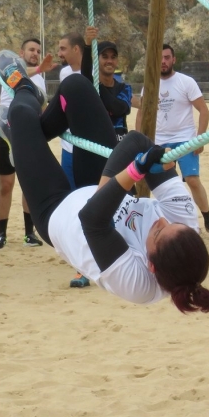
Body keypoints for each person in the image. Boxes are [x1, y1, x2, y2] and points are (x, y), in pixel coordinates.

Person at [0, 50, 209, 311]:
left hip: (59, 215)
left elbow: (92, 219)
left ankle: (22, 93)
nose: (162, 220)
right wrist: (151, 158)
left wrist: (135, 170)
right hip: (102, 189)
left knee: (20, 113)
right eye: (173, 224)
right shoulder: (184, 222)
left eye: (157, 231)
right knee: (76, 87)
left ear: (151, 264)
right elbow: (136, 141)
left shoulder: (139, 285)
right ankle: (23, 138)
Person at [65, 26, 134, 289]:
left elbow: (120, 107)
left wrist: (94, 87)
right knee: (87, 204)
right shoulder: (88, 83)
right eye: (103, 56)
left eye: (112, 57)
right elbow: (86, 84)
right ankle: (84, 268)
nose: (109, 60)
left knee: (123, 203)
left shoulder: (123, 88)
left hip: (118, 150)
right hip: (91, 150)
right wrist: (87, 53)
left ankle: (125, 256)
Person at [136, 44, 209, 239]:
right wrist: (138, 140)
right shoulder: (150, 85)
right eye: (160, 58)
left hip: (184, 140)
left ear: (173, 59)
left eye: (167, 57)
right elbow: (142, 112)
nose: (163, 62)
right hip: (159, 142)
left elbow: (203, 110)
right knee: (158, 184)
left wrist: (200, 139)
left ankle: (208, 221)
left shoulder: (186, 82)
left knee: (192, 180)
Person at [0, 38, 52, 250]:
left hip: (30, 133)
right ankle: (1, 234)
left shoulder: (41, 80)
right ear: (21, 53)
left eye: (38, 50)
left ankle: (29, 233)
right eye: (31, 50)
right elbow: (18, 78)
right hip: (6, 130)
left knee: (28, 186)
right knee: (5, 185)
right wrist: (39, 69)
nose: (35, 53)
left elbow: (42, 107)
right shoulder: (8, 71)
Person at [58, 31, 85, 187]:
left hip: (88, 143)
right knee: (70, 190)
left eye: (63, 49)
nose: (59, 53)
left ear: (75, 49)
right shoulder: (64, 73)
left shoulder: (95, 72)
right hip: (68, 144)